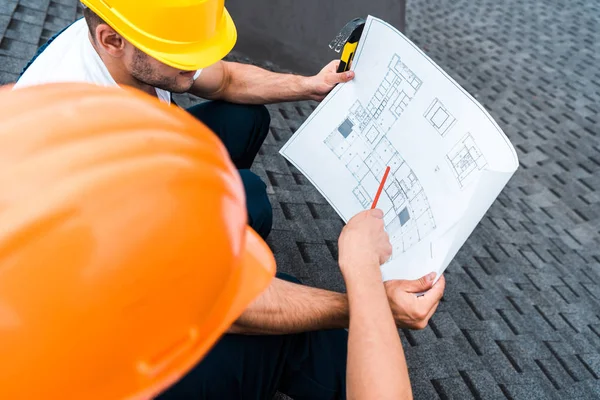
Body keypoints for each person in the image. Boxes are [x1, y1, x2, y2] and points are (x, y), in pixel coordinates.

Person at [13, 1, 447, 397]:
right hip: (92, 363)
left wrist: (309, 84)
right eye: (184, 61)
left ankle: (215, 232)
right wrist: (367, 301)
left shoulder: (123, 40)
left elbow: (227, 78)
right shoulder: (90, 149)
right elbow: (238, 306)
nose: (196, 70)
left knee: (245, 128)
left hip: (109, 248)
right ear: (111, 40)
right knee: (300, 333)